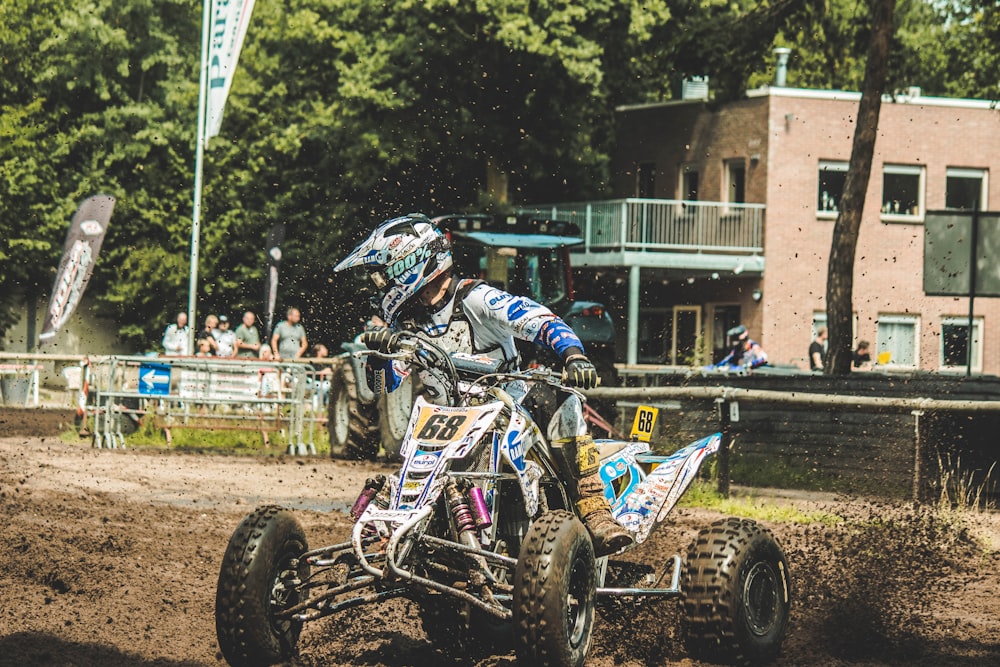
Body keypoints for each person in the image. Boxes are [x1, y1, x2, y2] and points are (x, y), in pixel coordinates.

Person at [333, 213, 631, 556]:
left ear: (409, 263)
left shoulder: (476, 298)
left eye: (383, 277)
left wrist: (574, 356)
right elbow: (383, 384)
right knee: (409, 475)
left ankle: (594, 508)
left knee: (562, 400)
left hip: (504, 399)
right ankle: (397, 535)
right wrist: (380, 355)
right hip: (442, 416)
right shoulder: (408, 322)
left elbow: (539, 318)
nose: (380, 287)